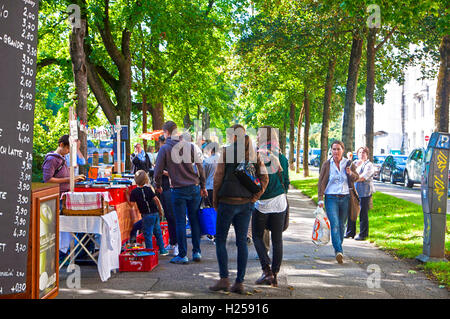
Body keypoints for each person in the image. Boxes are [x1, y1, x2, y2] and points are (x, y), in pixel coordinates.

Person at [209, 124, 268, 294]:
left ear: (233, 137)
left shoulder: (226, 152)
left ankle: (223, 279)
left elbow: (217, 178)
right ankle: (239, 282)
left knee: (220, 240)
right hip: (245, 204)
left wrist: (215, 202)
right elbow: (264, 178)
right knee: (242, 242)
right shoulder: (254, 153)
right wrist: (254, 198)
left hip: (227, 201)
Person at [153, 121, 208, 264]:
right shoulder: (190, 146)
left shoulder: (165, 149)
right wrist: (203, 186)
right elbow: (200, 167)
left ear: (166, 132)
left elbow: (157, 171)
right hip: (194, 187)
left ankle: (183, 254)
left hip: (178, 189)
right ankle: (197, 252)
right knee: (194, 219)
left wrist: (157, 185)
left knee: (180, 222)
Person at [252, 126, 289, 287]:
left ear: (260, 138)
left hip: (262, 203)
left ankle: (266, 270)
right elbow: (287, 182)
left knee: (257, 236)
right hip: (280, 201)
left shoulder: (256, 156)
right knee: (277, 239)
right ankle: (275, 273)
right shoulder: (282, 158)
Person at [318, 140, 359, 264]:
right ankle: (338, 251)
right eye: (334, 149)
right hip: (331, 198)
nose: (336, 152)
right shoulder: (327, 164)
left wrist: (350, 173)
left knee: (342, 225)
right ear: (331, 151)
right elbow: (321, 183)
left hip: (346, 197)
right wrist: (320, 199)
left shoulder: (348, 163)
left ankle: (337, 246)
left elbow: (356, 177)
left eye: (338, 149)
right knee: (334, 224)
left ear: (343, 150)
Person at [129, 170, 169, 256]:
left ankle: (150, 252)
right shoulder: (148, 189)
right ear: (146, 179)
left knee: (148, 234)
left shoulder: (134, 192)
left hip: (146, 215)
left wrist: (126, 195)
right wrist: (160, 210)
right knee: (157, 232)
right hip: (155, 213)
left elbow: (131, 205)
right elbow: (156, 200)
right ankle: (162, 250)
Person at [345, 146, 375, 241]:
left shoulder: (369, 165)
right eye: (360, 152)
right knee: (352, 211)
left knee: (363, 212)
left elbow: (363, 177)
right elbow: (347, 170)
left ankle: (363, 234)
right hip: (354, 191)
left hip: (365, 192)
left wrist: (353, 178)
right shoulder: (355, 163)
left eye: (364, 152)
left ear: (367, 154)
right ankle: (350, 232)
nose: (362, 154)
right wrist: (349, 160)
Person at [43, 135, 85, 199]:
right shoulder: (51, 159)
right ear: (61, 145)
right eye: (68, 148)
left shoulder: (63, 157)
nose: (69, 151)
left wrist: (74, 178)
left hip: (64, 193)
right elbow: (47, 179)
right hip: (56, 195)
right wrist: (68, 179)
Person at [157, 135, 178, 256]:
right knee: (169, 217)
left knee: (173, 217)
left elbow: (174, 173)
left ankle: (177, 244)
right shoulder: (165, 153)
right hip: (164, 188)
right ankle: (173, 242)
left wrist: (162, 171)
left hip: (170, 188)